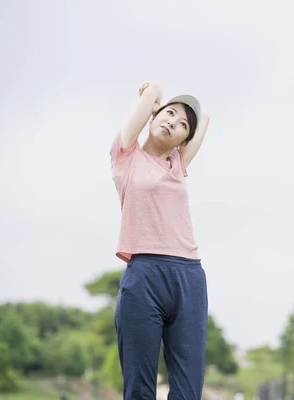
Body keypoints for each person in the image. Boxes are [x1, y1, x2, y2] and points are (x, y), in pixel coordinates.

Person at [110, 81, 210, 400]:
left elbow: (204, 116)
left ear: (184, 140)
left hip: (189, 278)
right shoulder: (125, 156)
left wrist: (178, 116)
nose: (173, 123)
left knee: (188, 392)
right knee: (140, 389)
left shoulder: (178, 164)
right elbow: (152, 88)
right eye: (169, 114)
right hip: (144, 276)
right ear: (152, 117)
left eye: (182, 125)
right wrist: (152, 101)